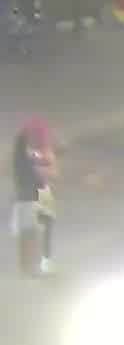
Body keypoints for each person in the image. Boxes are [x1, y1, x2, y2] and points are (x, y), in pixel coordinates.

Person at [10, 118, 54, 276]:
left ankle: (31, 266)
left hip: (32, 194)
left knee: (31, 232)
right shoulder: (26, 154)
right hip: (31, 195)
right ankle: (31, 267)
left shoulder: (24, 151)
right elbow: (40, 171)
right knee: (31, 232)